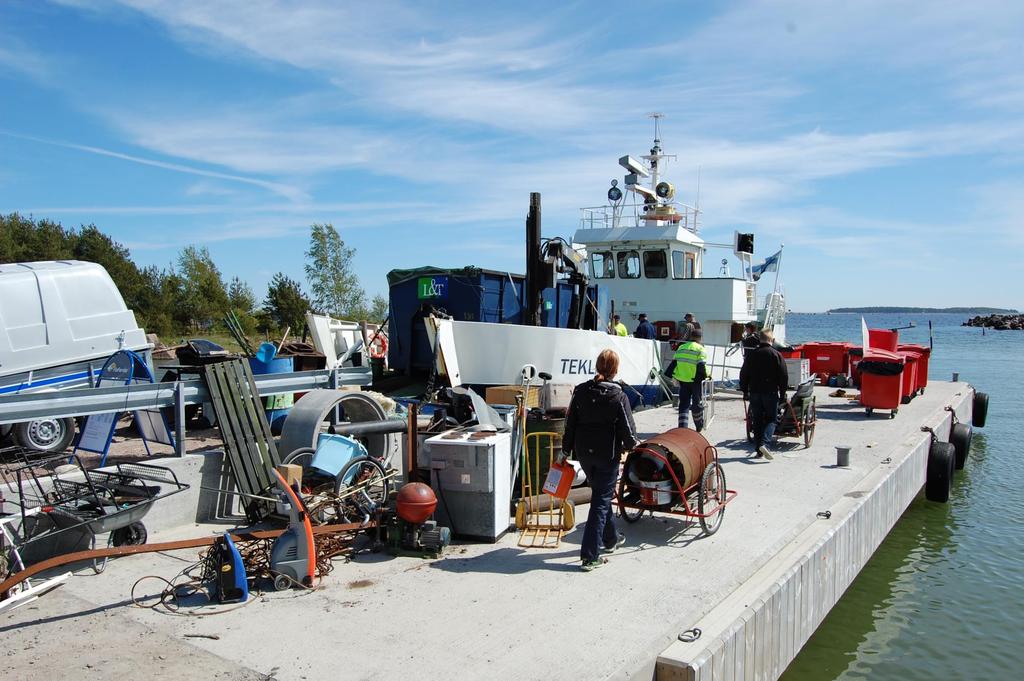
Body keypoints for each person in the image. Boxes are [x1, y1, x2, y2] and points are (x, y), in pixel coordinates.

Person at [561, 349, 638, 571]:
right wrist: (633, 447)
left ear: (597, 366)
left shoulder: (581, 390)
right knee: (600, 502)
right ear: (615, 369)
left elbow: (570, 423)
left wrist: (565, 450)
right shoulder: (619, 395)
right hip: (607, 455)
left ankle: (611, 538)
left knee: (601, 496)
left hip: (584, 453)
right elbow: (628, 429)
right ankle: (590, 556)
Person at [740, 330, 789, 460]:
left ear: (760, 339)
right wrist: (783, 393)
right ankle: (765, 444)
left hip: (755, 392)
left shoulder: (751, 355)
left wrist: (744, 391)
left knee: (757, 420)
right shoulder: (776, 355)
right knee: (771, 419)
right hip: (770, 392)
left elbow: (744, 374)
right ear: (771, 340)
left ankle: (759, 450)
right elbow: (783, 376)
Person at [664, 328, 707, 431]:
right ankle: (699, 426)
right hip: (695, 381)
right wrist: (704, 377)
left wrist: (671, 375)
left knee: (683, 404)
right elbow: (701, 366)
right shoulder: (700, 349)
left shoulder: (681, 347)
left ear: (691, 337)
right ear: (700, 338)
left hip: (683, 381)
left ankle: (682, 428)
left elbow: (674, 363)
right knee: (697, 403)